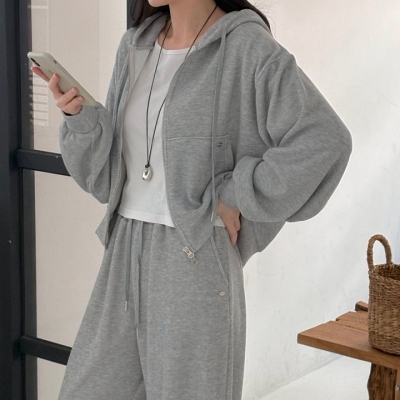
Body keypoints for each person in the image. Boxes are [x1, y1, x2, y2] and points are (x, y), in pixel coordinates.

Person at [32, 0, 352, 399]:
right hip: (124, 252)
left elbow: (325, 139)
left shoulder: (246, 47)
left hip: (193, 257)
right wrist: (80, 120)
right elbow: (107, 179)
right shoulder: (135, 45)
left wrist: (238, 193)